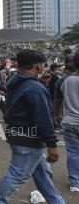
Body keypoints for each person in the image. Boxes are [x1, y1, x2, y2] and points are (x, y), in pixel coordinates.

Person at [0, 50, 64, 204]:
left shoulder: (14, 82)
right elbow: (44, 119)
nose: (44, 67)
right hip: (29, 139)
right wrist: (52, 144)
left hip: (19, 135)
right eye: (43, 64)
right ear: (37, 66)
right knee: (17, 174)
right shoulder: (35, 88)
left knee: (43, 174)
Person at [55, 51, 79, 192]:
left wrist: (56, 114)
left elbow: (58, 99)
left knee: (74, 152)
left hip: (69, 121)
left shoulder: (67, 80)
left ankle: (75, 183)